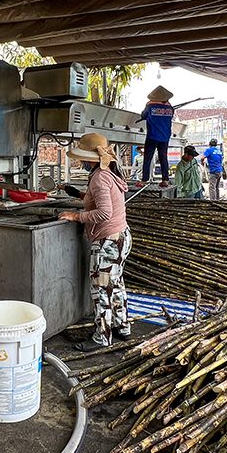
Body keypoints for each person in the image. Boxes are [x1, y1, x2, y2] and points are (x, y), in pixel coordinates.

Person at [59, 133, 131, 352]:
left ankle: (102, 337)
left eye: (81, 158)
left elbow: (104, 213)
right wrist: (79, 194)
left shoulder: (99, 176)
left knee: (101, 290)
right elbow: (101, 199)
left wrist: (75, 216)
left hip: (107, 242)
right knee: (115, 284)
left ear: (89, 158)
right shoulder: (107, 173)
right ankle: (122, 326)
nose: (80, 162)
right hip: (121, 236)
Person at [139, 85, 175, 188]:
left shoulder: (150, 106)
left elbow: (143, 116)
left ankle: (144, 180)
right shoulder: (170, 108)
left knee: (148, 158)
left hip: (152, 136)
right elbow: (170, 115)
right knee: (163, 157)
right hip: (165, 137)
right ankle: (165, 179)